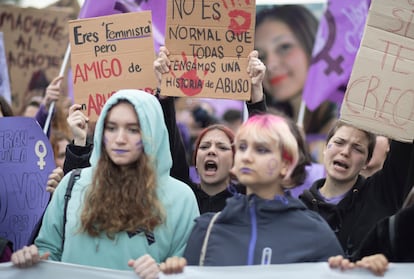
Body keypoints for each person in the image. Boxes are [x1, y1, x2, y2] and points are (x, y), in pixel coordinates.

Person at [11, 89, 199, 277]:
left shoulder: (182, 199)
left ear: (153, 133)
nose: (119, 139)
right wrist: (30, 260)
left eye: (133, 129)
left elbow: (189, 269)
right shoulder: (73, 184)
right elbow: (48, 252)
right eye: (111, 128)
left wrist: (162, 272)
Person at [62, 47, 267, 215]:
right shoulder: (181, 194)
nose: (211, 150)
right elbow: (73, 198)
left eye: (222, 147)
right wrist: (165, 93)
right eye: (204, 146)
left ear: (235, 161)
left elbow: (261, 151)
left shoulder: (246, 200)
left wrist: (256, 98)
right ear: (195, 159)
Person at [137, 114, 343, 277]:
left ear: (286, 164)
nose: (247, 156)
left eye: (261, 149)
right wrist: (169, 272)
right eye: (242, 147)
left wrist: (368, 269)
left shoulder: (315, 233)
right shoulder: (206, 229)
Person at [299, 120, 414, 258]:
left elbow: (404, 147)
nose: (345, 152)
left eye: (357, 149)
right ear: (325, 148)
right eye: (339, 142)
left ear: (366, 162)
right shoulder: (299, 209)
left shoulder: (381, 194)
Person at [255, 5, 338, 162]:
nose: (270, 64)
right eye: (261, 56)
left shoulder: (342, 126)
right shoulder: (272, 125)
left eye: (284, 47)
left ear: (314, 47)